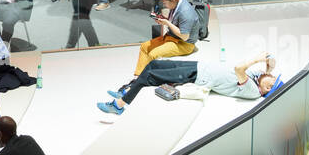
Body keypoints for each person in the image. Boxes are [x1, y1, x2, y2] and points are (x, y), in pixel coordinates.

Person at [99, 52, 279, 115]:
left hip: (197, 76)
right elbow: (268, 66)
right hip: (200, 66)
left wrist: (256, 59)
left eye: (272, 82)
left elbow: (240, 69)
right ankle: (128, 90)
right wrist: (268, 64)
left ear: (267, 89)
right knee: (153, 63)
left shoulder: (253, 90)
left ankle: (119, 105)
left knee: (150, 76)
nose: (270, 76)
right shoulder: (259, 78)